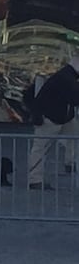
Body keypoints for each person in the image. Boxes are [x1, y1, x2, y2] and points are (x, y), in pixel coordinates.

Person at [26, 54, 79, 189]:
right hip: (51, 117)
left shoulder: (66, 75)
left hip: (61, 116)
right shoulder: (67, 78)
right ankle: (35, 180)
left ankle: (70, 162)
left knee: (73, 136)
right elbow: (75, 98)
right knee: (40, 147)